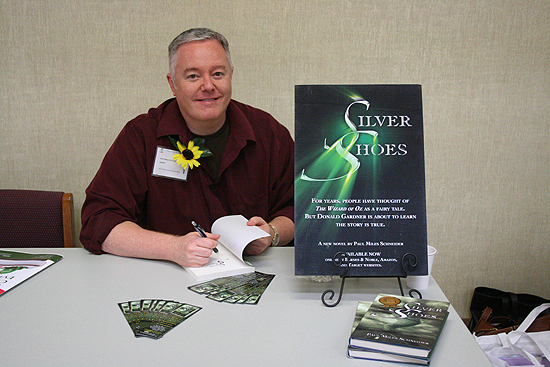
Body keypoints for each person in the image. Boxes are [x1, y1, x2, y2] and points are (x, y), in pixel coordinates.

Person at [80, 28, 294, 268]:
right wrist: (173, 248)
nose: (208, 85)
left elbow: (305, 208)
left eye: (218, 74)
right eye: (193, 76)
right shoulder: (141, 136)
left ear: (231, 75)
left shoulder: (268, 133)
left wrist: (272, 233)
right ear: (173, 84)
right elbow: (99, 221)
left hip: (254, 274)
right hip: (163, 276)